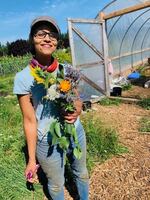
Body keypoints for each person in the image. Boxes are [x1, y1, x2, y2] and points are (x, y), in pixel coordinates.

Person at [13, 16, 89, 200]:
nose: (47, 38)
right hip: (47, 139)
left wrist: (77, 109)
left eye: (52, 34)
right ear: (32, 38)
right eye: (41, 34)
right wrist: (31, 160)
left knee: (82, 173)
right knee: (56, 184)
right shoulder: (23, 78)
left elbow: (77, 99)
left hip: (75, 131)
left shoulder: (66, 70)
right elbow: (30, 121)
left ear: (57, 40)